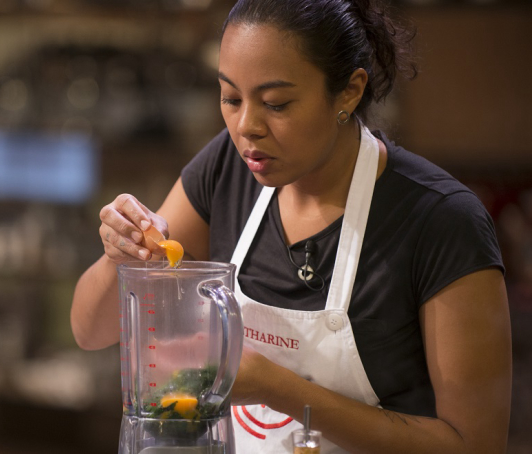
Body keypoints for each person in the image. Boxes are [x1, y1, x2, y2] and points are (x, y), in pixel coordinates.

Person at [71, 0, 512, 452]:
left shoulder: (441, 219)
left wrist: (278, 389)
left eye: (276, 103)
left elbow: (475, 444)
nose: (246, 127)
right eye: (230, 98)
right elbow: (91, 331)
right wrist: (119, 256)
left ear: (349, 92)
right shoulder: (227, 167)